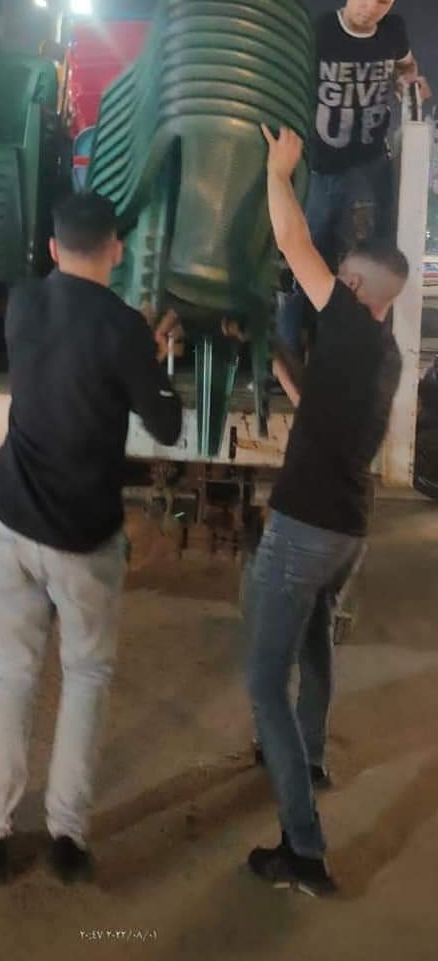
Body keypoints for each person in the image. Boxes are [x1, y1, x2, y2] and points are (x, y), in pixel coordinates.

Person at [0, 191, 183, 886]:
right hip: (84, 537)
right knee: (85, 675)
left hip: (13, 521)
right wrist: (155, 357)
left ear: (55, 249)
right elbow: (167, 425)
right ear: (117, 249)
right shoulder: (124, 328)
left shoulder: (24, 302)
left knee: (13, 674)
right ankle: (66, 837)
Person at [246, 124, 407, 896]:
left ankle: (302, 847)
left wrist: (280, 172)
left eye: (342, 277)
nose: (333, 281)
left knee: (262, 681)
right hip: (347, 527)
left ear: (362, 289)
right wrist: (277, 364)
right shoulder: (385, 354)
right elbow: (321, 400)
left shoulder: (344, 314)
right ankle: (308, 758)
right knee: (313, 644)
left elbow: (291, 238)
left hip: (304, 524)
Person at [278, 0, 427, 353]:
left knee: (366, 264)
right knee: (307, 265)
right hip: (322, 169)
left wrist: (410, 81)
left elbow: (406, 65)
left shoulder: (393, 31)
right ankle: (289, 356)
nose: (372, 7)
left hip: (371, 166)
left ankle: (353, 353)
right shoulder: (320, 31)